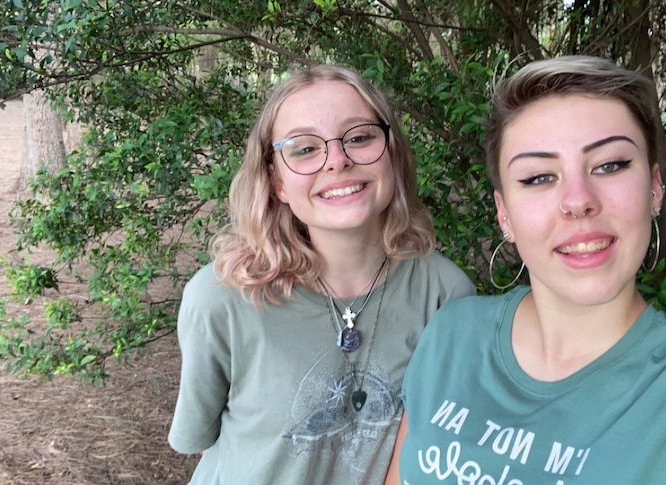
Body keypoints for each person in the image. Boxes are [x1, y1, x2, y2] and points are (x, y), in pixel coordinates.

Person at [386, 56, 666, 484]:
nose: (579, 199)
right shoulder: (451, 332)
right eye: (539, 177)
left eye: (610, 165)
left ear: (655, 189)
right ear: (504, 214)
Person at [167, 64, 475, 484]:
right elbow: (202, 440)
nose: (337, 161)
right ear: (277, 181)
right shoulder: (222, 296)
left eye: (361, 136)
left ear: (392, 154)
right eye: (304, 148)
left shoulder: (444, 295)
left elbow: (436, 447)